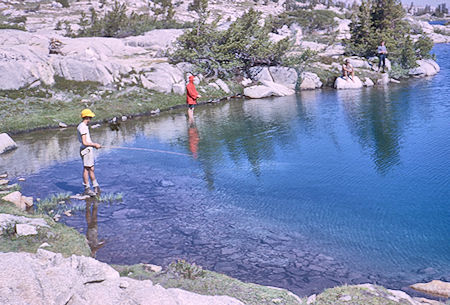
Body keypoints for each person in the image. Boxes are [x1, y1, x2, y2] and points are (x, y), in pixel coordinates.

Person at [77, 109, 102, 196]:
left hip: (88, 150)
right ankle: (87, 188)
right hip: (86, 150)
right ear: (87, 117)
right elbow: (84, 142)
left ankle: (96, 186)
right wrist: (94, 144)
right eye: (90, 117)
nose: (91, 119)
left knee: (91, 168)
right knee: (87, 169)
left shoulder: (83, 126)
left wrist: (93, 146)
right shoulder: (82, 127)